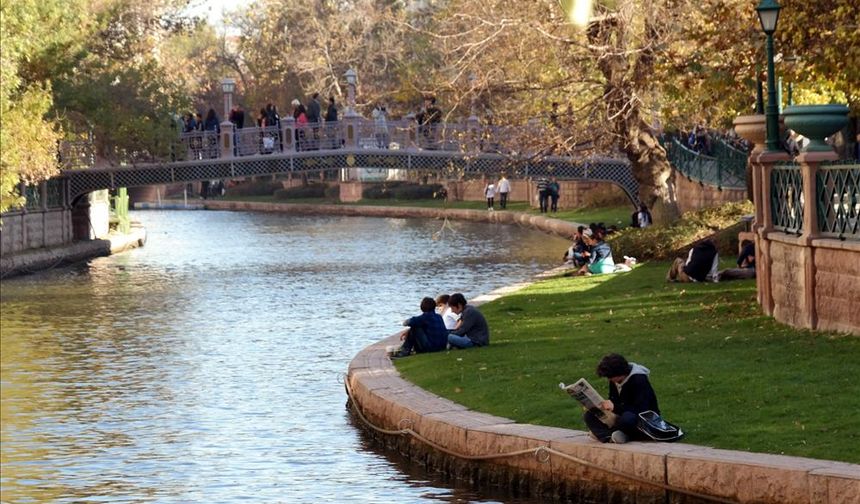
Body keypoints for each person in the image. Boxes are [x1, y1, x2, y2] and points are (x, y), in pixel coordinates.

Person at [583, 353, 660, 444]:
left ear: (620, 373)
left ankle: (610, 434)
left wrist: (615, 407)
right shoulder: (614, 380)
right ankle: (610, 436)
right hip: (621, 415)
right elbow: (614, 400)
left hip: (641, 419)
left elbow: (641, 410)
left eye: (610, 377)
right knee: (590, 415)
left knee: (627, 418)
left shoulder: (639, 380)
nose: (609, 380)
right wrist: (599, 406)